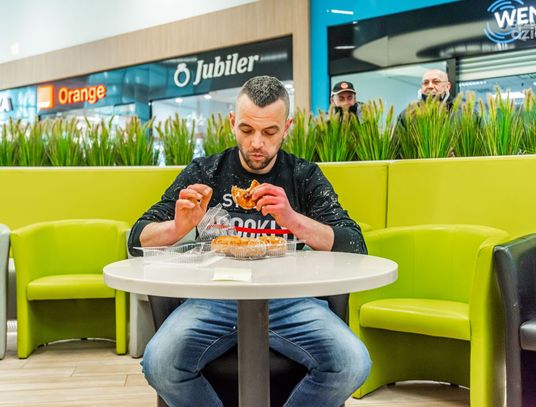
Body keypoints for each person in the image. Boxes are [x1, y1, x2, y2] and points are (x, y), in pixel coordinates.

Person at [128, 75, 371, 407]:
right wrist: (177, 226)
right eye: (246, 129)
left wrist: (292, 219)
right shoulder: (206, 171)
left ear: (286, 128)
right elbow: (137, 238)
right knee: (159, 363)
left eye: (269, 132)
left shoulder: (303, 175)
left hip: (290, 300)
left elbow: (354, 244)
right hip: (214, 299)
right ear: (232, 123)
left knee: (353, 363)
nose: (257, 142)